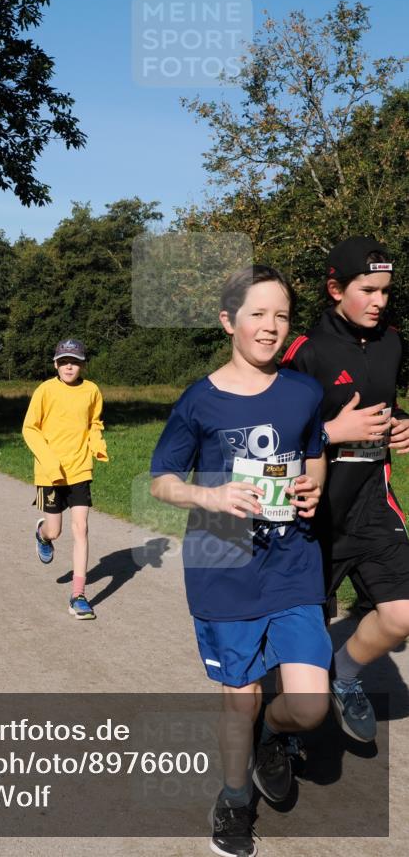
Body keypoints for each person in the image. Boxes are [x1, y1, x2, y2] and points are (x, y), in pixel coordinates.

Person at [150, 266, 330, 857]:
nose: (271, 326)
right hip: (221, 560)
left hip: (293, 560)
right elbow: (161, 481)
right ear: (229, 320)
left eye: (281, 315)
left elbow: (313, 453)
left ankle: (273, 740)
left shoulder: (303, 391)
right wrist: (209, 495)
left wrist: (312, 486)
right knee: (240, 695)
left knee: (308, 703)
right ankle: (233, 799)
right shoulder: (199, 399)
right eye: (258, 313)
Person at [281, 236, 409, 743]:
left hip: (373, 502)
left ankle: (347, 675)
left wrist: (402, 424)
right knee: (299, 638)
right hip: (314, 513)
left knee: (401, 616)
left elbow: (386, 408)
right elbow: (273, 436)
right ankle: (280, 730)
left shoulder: (392, 341)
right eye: (367, 290)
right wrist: (333, 431)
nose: (379, 301)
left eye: (385, 292)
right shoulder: (303, 353)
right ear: (336, 288)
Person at [22, 338, 109, 619]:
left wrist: (96, 444)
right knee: (55, 530)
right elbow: (30, 429)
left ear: (82, 364)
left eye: (74, 361)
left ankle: (78, 596)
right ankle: (42, 535)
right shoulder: (45, 390)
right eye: (64, 361)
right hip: (49, 473)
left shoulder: (92, 391)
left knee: (81, 528)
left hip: (80, 469)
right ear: (55, 364)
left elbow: (94, 423)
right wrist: (48, 460)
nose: (69, 366)